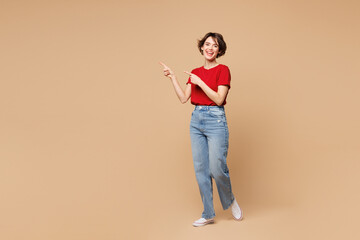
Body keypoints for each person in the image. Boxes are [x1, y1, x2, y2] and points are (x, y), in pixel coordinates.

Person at [159, 32, 243, 227]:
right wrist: (172, 78)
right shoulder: (195, 72)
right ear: (202, 47)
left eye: (214, 45)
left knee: (217, 167)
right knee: (201, 170)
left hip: (215, 119)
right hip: (196, 120)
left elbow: (219, 99)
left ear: (219, 50)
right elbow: (183, 98)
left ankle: (230, 200)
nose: (210, 48)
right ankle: (208, 213)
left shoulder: (223, 70)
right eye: (207, 44)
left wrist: (200, 82)